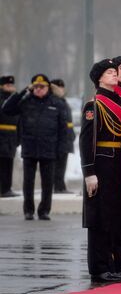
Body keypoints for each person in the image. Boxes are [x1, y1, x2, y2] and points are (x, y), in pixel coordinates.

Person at [79, 59, 121, 283]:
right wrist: (89, 172)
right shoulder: (95, 105)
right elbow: (86, 141)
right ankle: (99, 267)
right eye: (110, 72)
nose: (114, 75)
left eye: (115, 72)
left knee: (116, 216)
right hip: (102, 164)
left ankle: (115, 264)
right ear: (99, 78)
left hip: (119, 163)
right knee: (100, 218)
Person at [2, 74, 68, 220]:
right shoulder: (26, 102)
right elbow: (6, 109)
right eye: (36, 87)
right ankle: (28, 210)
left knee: (47, 183)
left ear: (48, 87)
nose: (39, 89)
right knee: (28, 183)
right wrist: (23, 91)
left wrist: (61, 149)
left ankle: (44, 211)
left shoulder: (57, 103)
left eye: (42, 86)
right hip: (30, 148)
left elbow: (63, 129)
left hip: (49, 148)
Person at [50, 79, 76, 194]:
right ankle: (58, 186)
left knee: (62, 163)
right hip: (59, 138)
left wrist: (72, 134)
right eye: (60, 87)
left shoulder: (62, 100)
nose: (62, 89)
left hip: (66, 137)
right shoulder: (54, 101)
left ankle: (61, 186)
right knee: (58, 164)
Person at [0, 75, 19, 198]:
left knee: (9, 162)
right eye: (7, 85)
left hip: (12, 136)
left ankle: (7, 188)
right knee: (2, 163)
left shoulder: (15, 99)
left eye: (11, 85)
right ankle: (3, 188)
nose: (10, 87)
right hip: (1, 135)